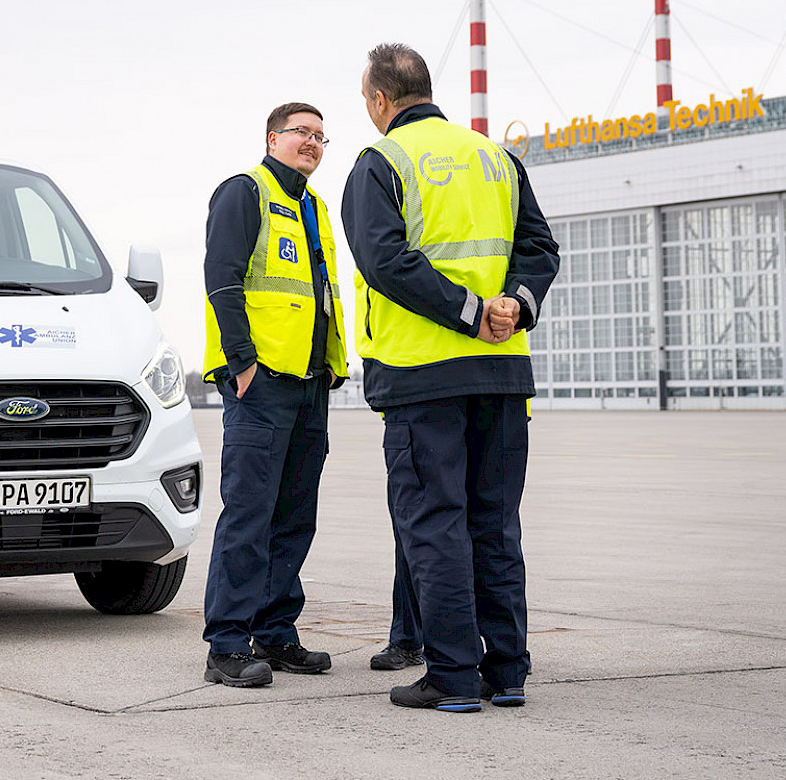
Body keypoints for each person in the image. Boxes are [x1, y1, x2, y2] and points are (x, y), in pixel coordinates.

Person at [341, 43, 560, 713]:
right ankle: (509, 671)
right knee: (495, 523)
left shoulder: (380, 163)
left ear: (380, 100)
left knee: (436, 522)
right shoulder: (497, 158)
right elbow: (539, 248)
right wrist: (515, 304)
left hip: (422, 373)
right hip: (500, 373)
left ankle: (454, 675)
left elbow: (385, 260)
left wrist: (467, 312)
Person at [199, 102, 349, 688]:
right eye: (301, 133)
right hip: (261, 386)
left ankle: (276, 633)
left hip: (310, 383)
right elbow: (223, 279)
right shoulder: (246, 191)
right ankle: (227, 645)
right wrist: (242, 365)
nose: (311, 142)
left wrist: (332, 368)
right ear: (272, 137)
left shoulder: (311, 206)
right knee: (249, 514)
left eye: (320, 136)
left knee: (293, 517)